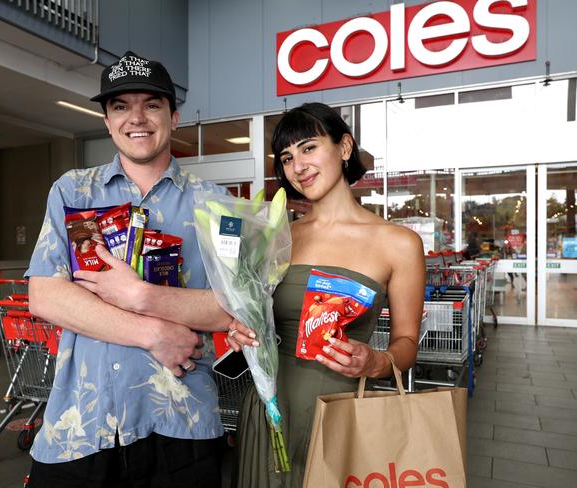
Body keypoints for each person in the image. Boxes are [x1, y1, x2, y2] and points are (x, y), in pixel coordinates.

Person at [26, 51, 240, 488]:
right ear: (107, 121)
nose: (136, 117)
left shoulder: (218, 203)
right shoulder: (75, 192)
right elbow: (47, 295)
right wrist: (153, 333)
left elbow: (234, 309)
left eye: (152, 104)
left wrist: (141, 295)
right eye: (121, 106)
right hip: (82, 424)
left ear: (174, 117)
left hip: (183, 421)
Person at [226, 103, 425, 487]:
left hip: (341, 417)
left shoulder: (399, 243)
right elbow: (253, 315)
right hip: (268, 411)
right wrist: (243, 332)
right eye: (286, 157)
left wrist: (377, 361)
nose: (298, 165)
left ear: (345, 147)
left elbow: (407, 343)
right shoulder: (275, 236)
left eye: (309, 148)